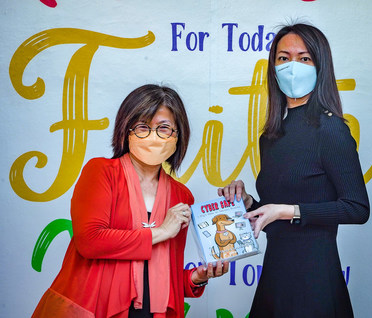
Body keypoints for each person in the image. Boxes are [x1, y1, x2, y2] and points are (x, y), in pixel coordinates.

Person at [32, 84, 229, 318]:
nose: (154, 137)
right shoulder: (101, 172)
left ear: (178, 135)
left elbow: (165, 272)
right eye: (143, 127)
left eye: (164, 128)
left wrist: (195, 279)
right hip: (94, 310)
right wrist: (162, 230)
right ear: (127, 130)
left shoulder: (181, 195)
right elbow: (90, 241)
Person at [218, 23, 369, 318]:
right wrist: (249, 203)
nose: (292, 67)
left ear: (320, 65)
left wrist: (288, 211)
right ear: (273, 67)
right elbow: (277, 212)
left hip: (314, 283)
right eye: (284, 58)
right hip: (275, 277)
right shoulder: (271, 136)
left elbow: (357, 208)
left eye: (304, 58)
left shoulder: (331, 129)